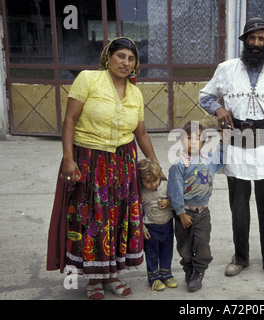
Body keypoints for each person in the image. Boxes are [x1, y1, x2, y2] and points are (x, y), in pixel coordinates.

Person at [46, 37, 158, 300]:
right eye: (120, 56)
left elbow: (141, 133)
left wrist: (153, 161)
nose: (125, 63)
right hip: (89, 161)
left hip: (123, 163)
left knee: (118, 218)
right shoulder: (88, 79)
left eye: (131, 59)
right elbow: (69, 120)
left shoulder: (135, 93)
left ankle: (111, 275)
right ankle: (93, 279)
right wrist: (68, 159)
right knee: (92, 218)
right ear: (108, 57)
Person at [199, 17, 264, 280]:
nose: (256, 43)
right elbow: (205, 96)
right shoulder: (227, 68)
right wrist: (218, 108)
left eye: (261, 39)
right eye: (251, 38)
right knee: (239, 206)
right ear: (244, 41)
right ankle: (240, 257)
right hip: (237, 140)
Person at [167, 121, 226, 292]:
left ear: (203, 141)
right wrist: (180, 213)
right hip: (185, 212)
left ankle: (199, 272)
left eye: (197, 138)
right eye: (188, 138)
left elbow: (222, 154)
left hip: (203, 213)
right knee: (184, 246)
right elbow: (175, 191)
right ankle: (189, 269)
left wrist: (226, 134)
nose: (193, 142)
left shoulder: (209, 161)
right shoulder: (178, 165)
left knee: (202, 245)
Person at [138, 158, 177, 291]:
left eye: (155, 180)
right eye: (148, 181)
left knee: (167, 251)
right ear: (141, 180)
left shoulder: (165, 187)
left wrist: (168, 203)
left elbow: (175, 199)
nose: (153, 184)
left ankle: (167, 274)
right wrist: (142, 229)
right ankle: (154, 277)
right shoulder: (141, 193)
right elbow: (138, 213)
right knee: (152, 253)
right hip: (151, 228)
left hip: (167, 226)